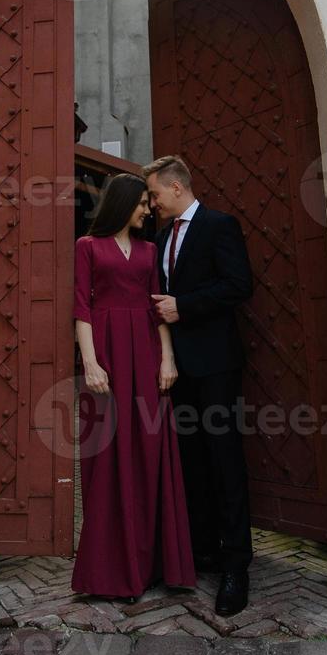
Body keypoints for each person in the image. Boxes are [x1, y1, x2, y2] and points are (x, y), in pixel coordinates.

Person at [71, 173, 196, 601]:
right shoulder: (87, 247)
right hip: (105, 355)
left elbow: (157, 306)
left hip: (145, 355)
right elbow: (81, 307)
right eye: (142, 202)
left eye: (150, 201)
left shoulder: (149, 249)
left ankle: (153, 565)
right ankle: (107, 571)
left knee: (149, 451)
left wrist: (168, 359)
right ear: (123, 204)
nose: (148, 209)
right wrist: (90, 363)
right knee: (107, 456)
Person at [143, 155, 255, 617]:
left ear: (175, 187)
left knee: (225, 461)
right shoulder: (160, 235)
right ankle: (204, 550)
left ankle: (237, 567)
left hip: (215, 365)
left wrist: (182, 307)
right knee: (190, 460)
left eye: (153, 194)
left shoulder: (219, 225)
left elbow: (238, 285)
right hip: (177, 369)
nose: (150, 204)